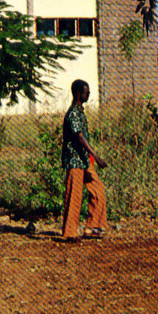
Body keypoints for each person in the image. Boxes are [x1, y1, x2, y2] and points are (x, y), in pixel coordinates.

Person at [60, 79, 109, 242]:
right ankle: (70, 232)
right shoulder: (73, 113)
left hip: (84, 160)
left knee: (98, 190)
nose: (88, 95)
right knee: (74, 196)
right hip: (75, 159)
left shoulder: (81, 111)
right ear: (78, 93)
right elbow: (79, 137)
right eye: (86, 92)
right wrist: (96, 156)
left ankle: (92, 227)